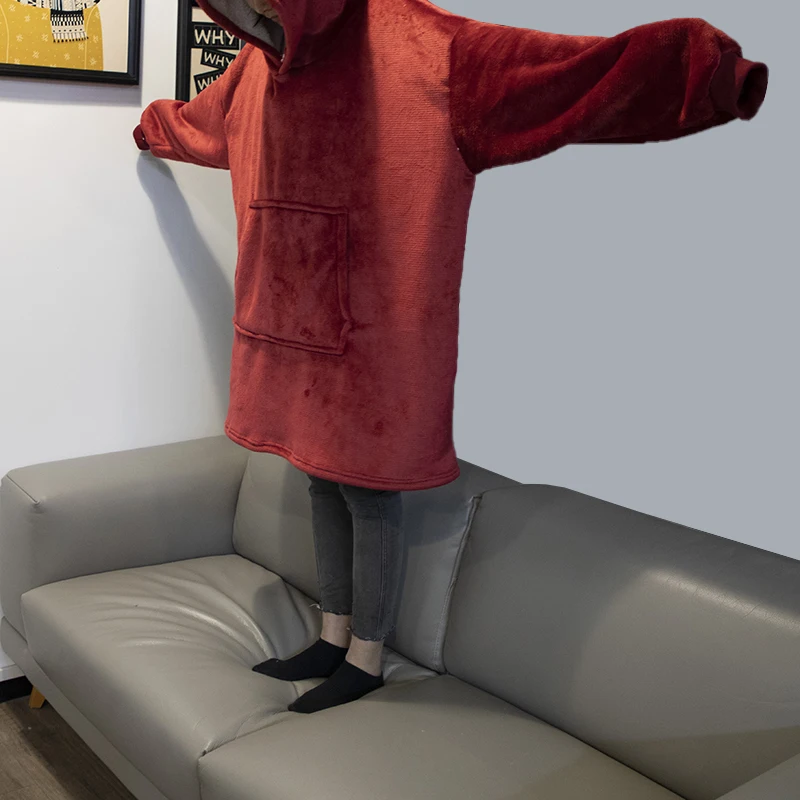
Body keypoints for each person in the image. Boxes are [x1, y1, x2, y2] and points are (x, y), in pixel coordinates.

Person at [133, 0, 768, 713]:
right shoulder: (256, 66)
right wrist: (150, 129)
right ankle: (332, 634)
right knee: (319, 480)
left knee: (369, 491)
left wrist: (703, 73)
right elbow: (202, 124)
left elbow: (561, 76)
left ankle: (366, 657)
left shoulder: (418, 46)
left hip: (375, 339)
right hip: (287, 328)